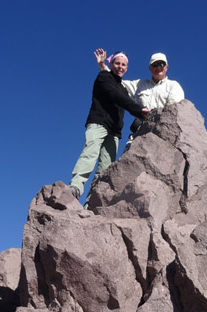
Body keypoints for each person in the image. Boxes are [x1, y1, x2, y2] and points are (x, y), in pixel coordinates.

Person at [70, 50, 148, 200]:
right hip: (98, 123)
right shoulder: (103, 77)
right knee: (89, 154)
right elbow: (115, 95)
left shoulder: (124, 89)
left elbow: (125, 99)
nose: (120, 67)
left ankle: (92, 203)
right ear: (111, 64)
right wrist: (139, 110)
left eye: (123, 65)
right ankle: (76, 187)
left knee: (105, 169)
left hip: (114, 132)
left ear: (127, 68)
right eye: (117, 63)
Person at [95, 49, 185, 140]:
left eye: (161, 64)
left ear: (167, 67)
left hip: (163, 133)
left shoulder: (173, 86)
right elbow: (115, 83)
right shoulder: (139, 85)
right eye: (154, 65)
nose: (158, 67)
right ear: (150, 68)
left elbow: (174, 111)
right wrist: (102, 66)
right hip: (139, 134)